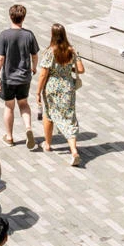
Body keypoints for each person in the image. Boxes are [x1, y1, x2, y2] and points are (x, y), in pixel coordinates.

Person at [34, 24, 87, 166]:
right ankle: (74, 151)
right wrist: (69, 68)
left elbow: (43, 74)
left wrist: (38, 92)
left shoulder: (50, 52)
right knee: (69, 118)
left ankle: (47, 144)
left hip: (52, 88)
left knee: (49, 114)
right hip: (68, 88)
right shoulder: (72, 50)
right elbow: (81, 70)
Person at [0, 5, 40, 147]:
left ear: (10, 17)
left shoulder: (4, 35)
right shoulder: (29, 35)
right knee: (23, 104)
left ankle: (9, 137)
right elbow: (34, 55)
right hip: (24, 77)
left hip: (8, 78)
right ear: (23, 18)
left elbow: (0, 58)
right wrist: (34, 67)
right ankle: (28, 128)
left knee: (9, 106)